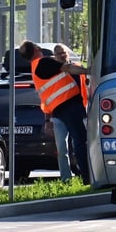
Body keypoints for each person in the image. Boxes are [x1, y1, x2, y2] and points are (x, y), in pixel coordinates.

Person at [19, 40, 91, 184]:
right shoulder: (43, 62)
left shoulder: (36, 67)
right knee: (80, 140)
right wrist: (89, 70)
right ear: (36, 48)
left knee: (75, 142)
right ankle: (88, 177)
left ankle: (82, 176)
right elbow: (68, 69)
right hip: (68, 105)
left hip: (61, 109)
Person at [48, 44, 87, 182]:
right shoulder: (53, 71)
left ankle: (85, 175)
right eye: (59, 53)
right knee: (62, 149)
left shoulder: (77, 67)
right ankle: (66, 179)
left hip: (79, 112)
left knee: (80, 145)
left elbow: (85, 86)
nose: (62, 55)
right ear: (55, 56)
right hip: (59, 116)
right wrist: (47, 119)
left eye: (64, 52)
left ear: (68, 53)